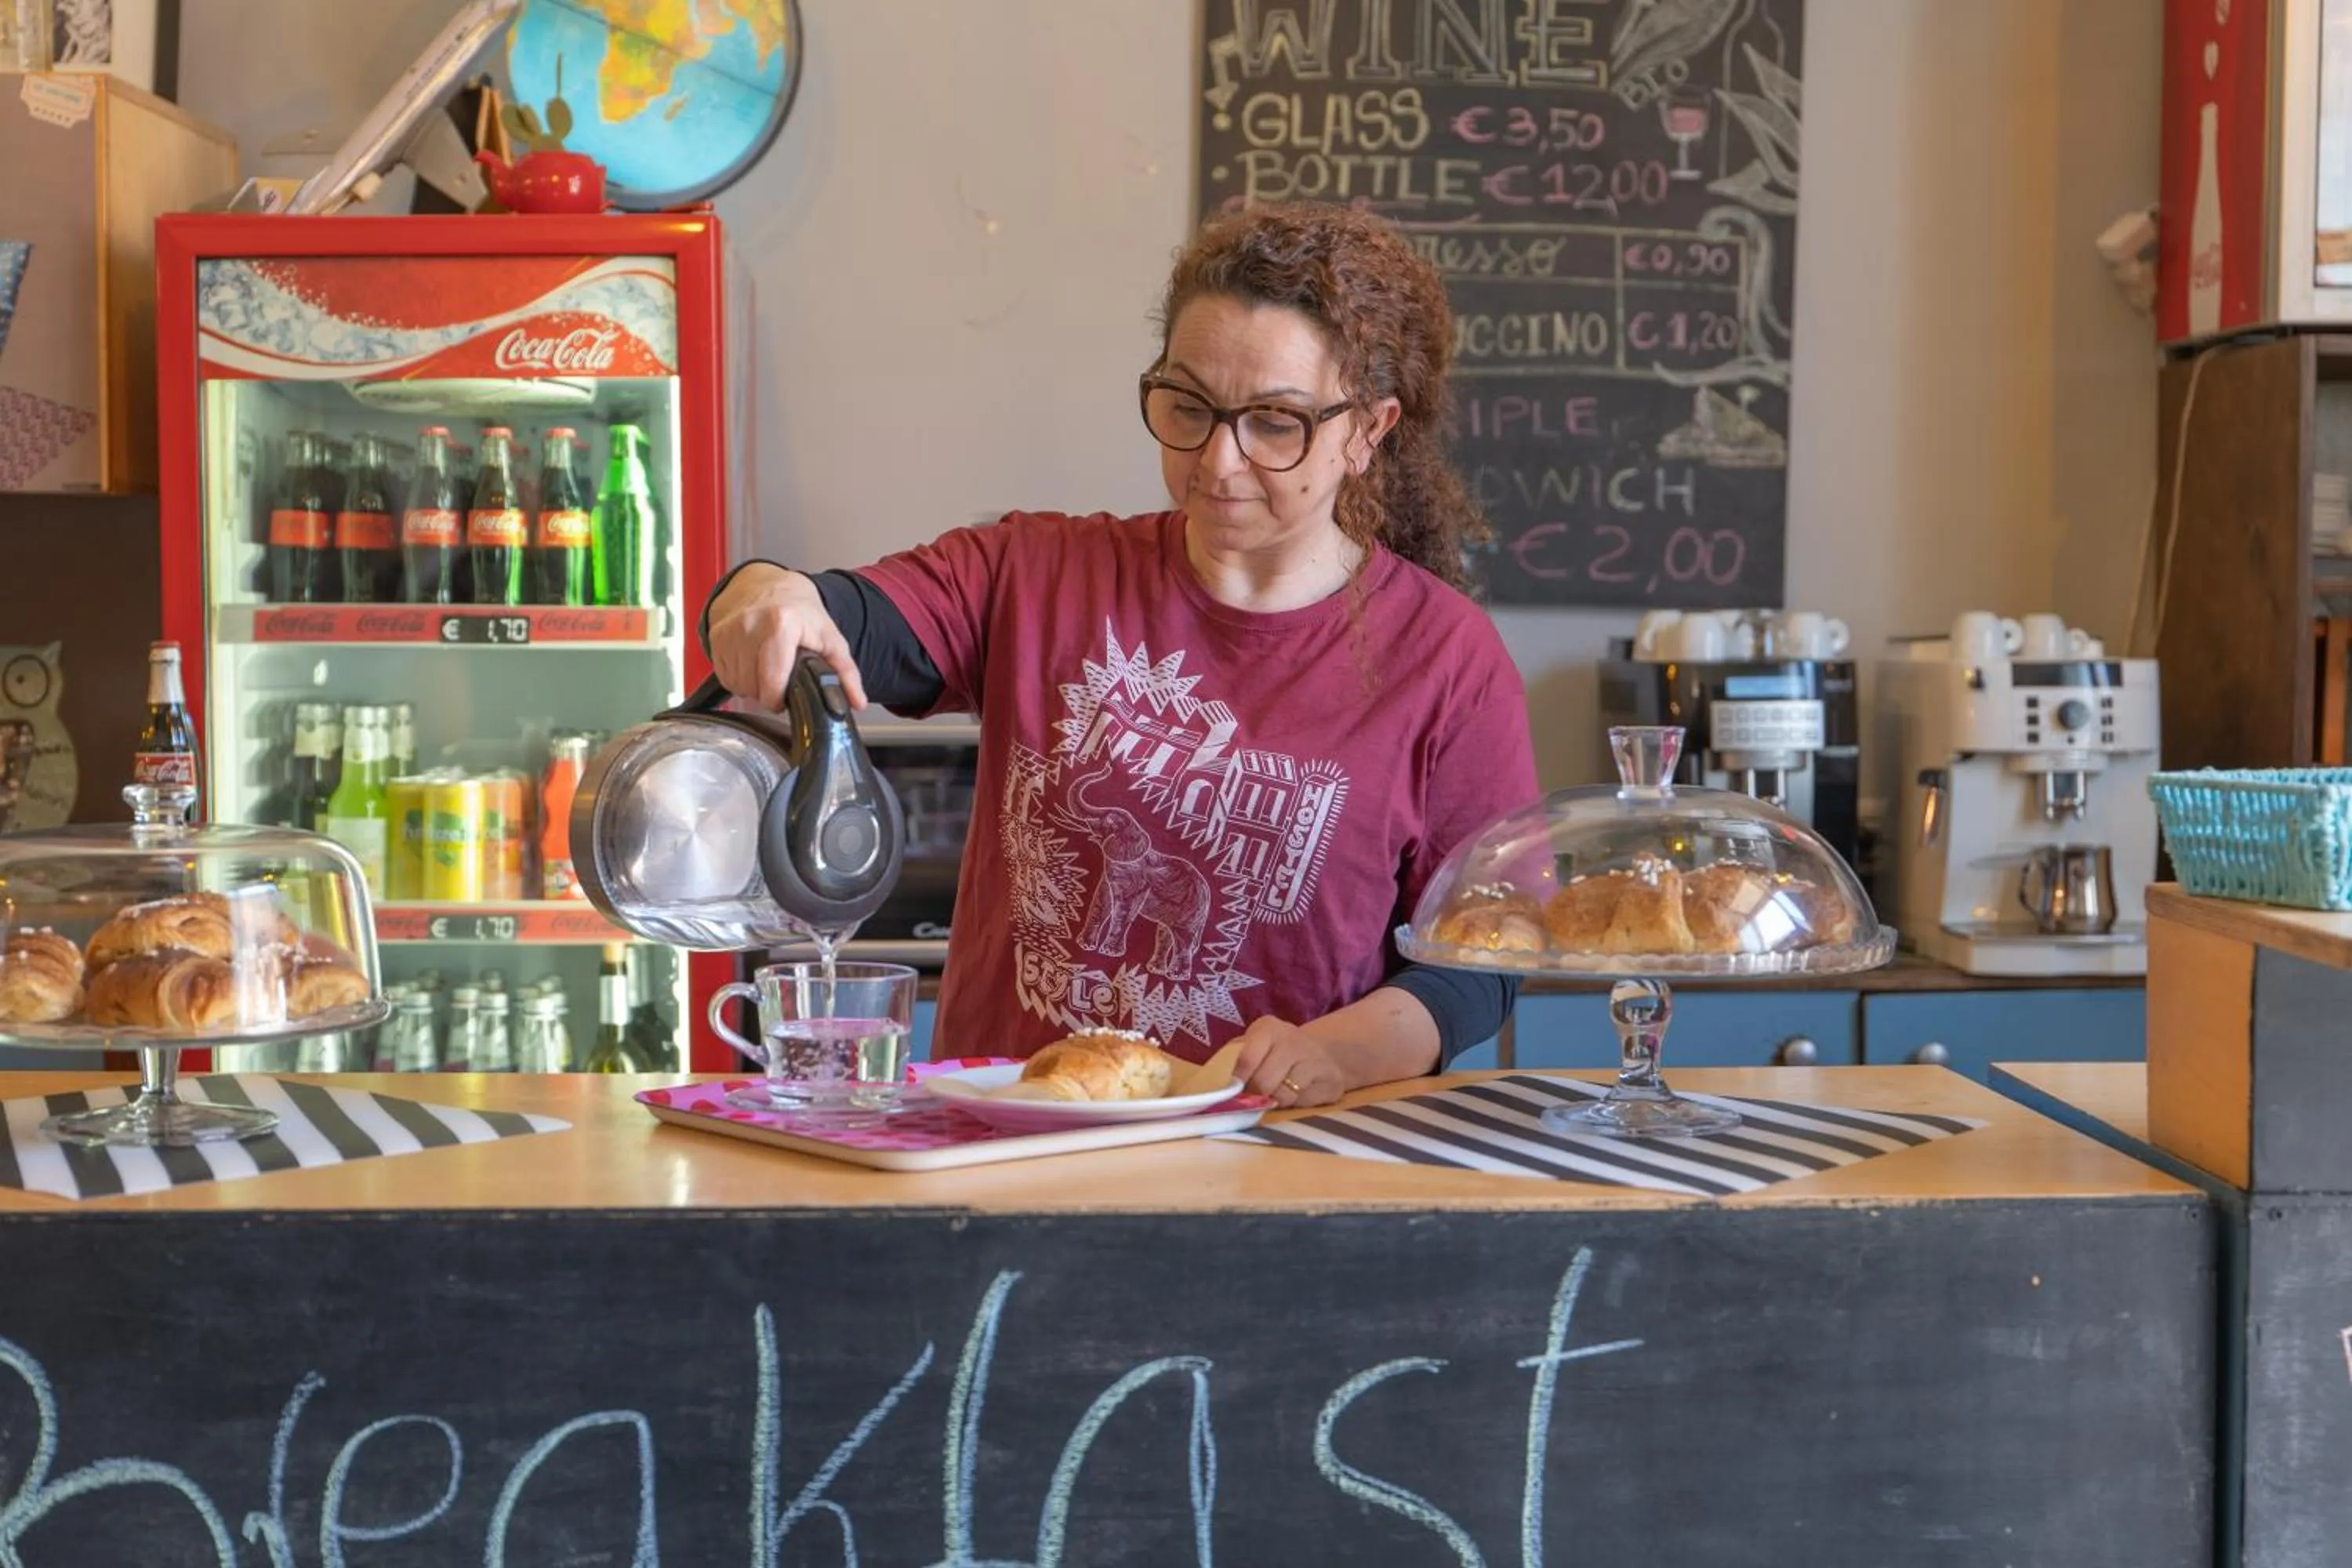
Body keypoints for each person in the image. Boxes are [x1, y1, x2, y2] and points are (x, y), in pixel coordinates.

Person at [703, 201, 1538, 1108]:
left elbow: (1486, 954)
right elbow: (857, 618)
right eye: (1188, 405)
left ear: (1368, 431)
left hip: (1282, 1155)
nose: (1218, 460)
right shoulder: (1034, 572)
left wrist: (1336, 1052)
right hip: (1014, 1142)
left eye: (1274, 422)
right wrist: (765, 592)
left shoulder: (1448, 660)